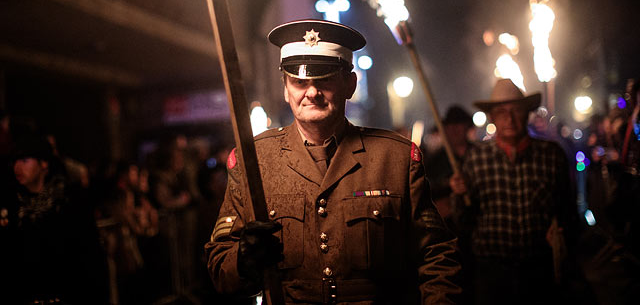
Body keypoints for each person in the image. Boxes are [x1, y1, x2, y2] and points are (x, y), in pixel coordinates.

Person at [205, 19, 462, 304]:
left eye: (324, 79)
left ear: (349, 84)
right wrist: (242, 259)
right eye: (299, 82)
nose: (312, 93)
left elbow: (437, 255)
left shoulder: (395, 158)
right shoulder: (253, 161)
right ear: (285, 88)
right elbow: (219, 269)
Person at [449, 78, 575, 305]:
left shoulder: (551, 154)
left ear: (527, 112)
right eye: (501, 112)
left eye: (516, 110)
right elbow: (464, 221)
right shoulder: (476, 159)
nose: (509, 118)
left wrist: (562, 234)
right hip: (492, 274)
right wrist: (458, 194)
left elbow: (568, 209)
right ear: (492, 117)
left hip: (540, 270)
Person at [2, 132, 108, 304]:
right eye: (15, 161)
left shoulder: (69, 202)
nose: (17, 167)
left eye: (25, 161)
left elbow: (90, 258)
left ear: (44, 164)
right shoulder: (13, 206)